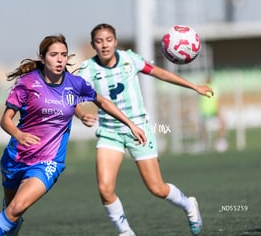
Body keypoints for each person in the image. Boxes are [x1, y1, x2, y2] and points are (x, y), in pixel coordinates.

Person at [0, 34, 147, 236]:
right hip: (15, 158)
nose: (60, 59)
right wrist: (19, 134)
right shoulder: (28, 82)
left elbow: (99, 102)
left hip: (48, 162)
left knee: (16, 208)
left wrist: (130, 124)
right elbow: (5, 120)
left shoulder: (75, 83)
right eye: (53, 55)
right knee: (11, 212)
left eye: (63, 55)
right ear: (43, 58)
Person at [75, 23, 214, 236]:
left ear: (115, 41)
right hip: (109, 132)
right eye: (99, 41)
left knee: (156, 188)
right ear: (93, 45)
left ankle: (189, 205)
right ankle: (126, 232)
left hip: (138, 129)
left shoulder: (130, 59)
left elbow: (160, 73)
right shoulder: (87, 69)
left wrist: (194, 87)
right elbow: (71, 97)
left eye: (108, 39)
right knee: (105, 189)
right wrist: (81, 113)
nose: (104, 45)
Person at [199, 76, 228, 152]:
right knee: (202, 126)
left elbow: (217, 100)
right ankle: (203, 144)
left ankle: (220, 141)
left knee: (223, 122)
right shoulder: (201, 86)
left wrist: (218, 110)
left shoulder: (214, 87)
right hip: (204, 111)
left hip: (213, 110)